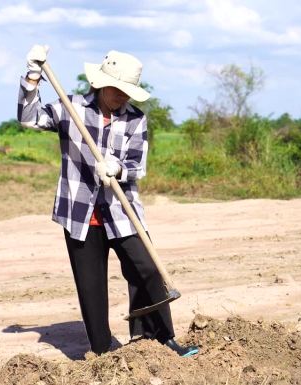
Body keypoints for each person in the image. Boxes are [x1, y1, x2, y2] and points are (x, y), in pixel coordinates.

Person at [17, 45, 198, 357]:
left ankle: (156, 341)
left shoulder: (135, 119)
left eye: (128, 92)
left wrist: (117, 168)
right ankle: (103, 352)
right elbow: (27, 118)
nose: (123, 97)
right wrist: (33, 76)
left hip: (122, 212)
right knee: (91, 289)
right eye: (118, 90)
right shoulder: (69, 107)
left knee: (148, 271)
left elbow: (137, 166)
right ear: (100, 84)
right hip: (79, 214)